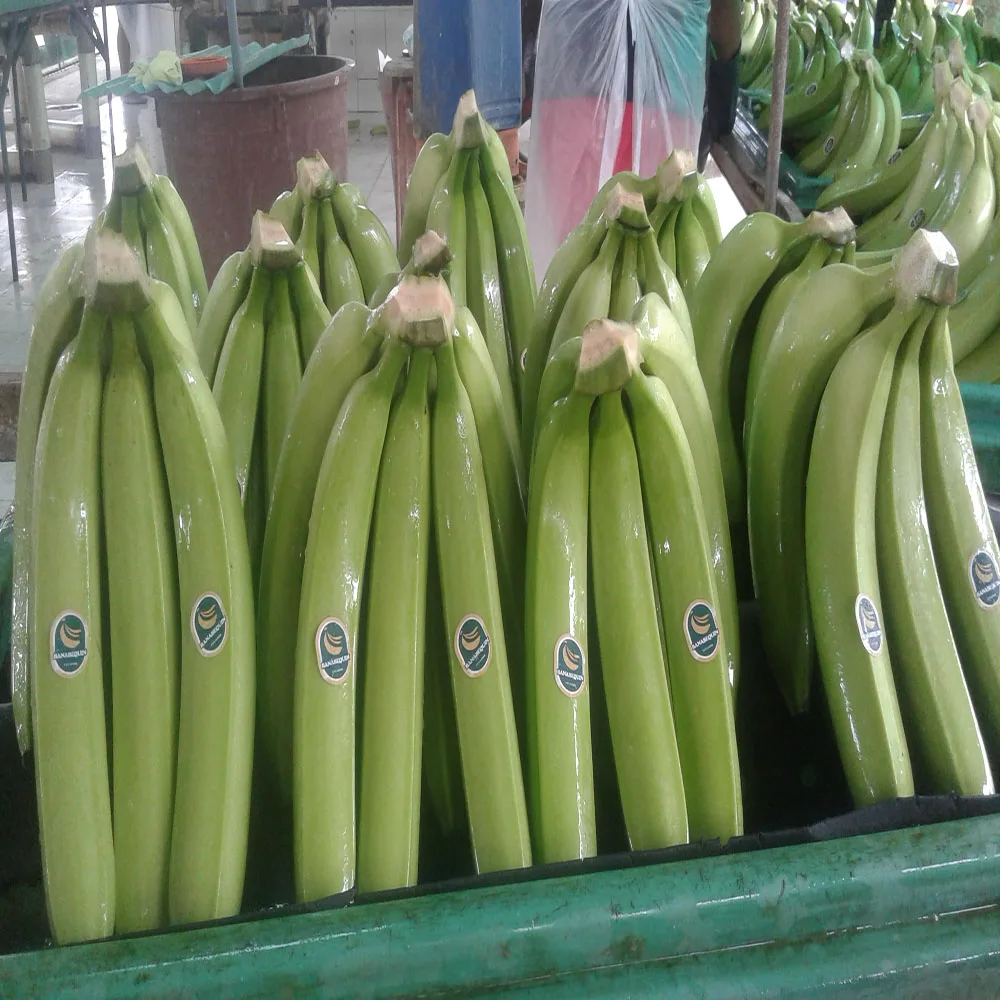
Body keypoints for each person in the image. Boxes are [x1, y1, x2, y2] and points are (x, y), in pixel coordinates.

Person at [524, 0, 741, 280]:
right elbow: (725, 15)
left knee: (572, 265)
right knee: (651, 262)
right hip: (666, 86)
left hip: (575, 76)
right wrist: (726, 78)